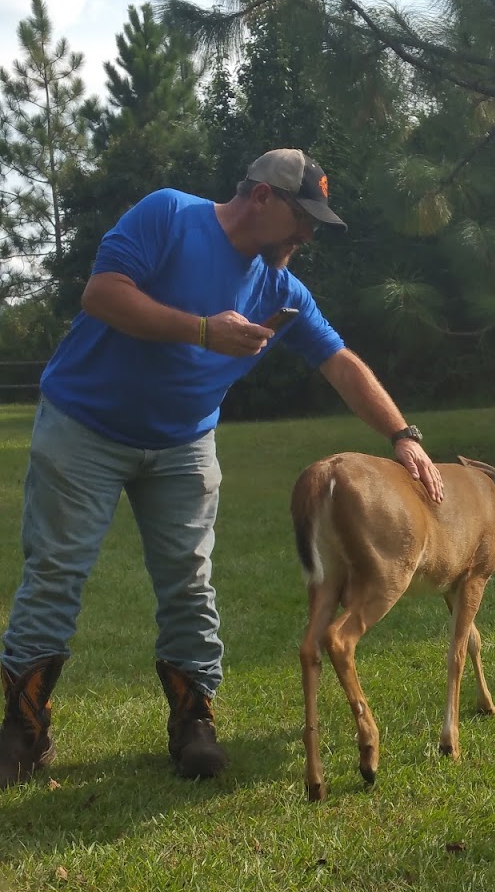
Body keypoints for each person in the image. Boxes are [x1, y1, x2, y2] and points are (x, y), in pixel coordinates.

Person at [0, 151, 444, 788]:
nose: (307, 235)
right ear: (261, 197)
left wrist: (403, 435)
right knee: (56, 572)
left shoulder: (279, 288)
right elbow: (102, 295)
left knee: (189, 581)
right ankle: (23, 728)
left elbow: (340, 362)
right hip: (83, 428)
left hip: (183, 445)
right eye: (302, 218)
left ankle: (193, 722)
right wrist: (203, 331)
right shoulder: (170, 216)